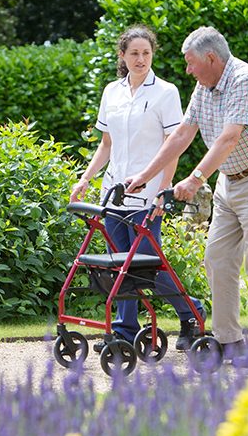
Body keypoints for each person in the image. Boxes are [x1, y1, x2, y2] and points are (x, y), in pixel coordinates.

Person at [125, 26, 248, 367]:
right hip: (229, 182)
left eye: (190, 62)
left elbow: (228, 138)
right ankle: (229, 341)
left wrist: (196, 178)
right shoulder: (204, 86)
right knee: (217, 260)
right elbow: (183, 134)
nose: (188, 70)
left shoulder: (246, 81)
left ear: (211, 58)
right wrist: (146, 175)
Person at [70, 24, 205, 352]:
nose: (141, 59)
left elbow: (173, 144)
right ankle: (125, 329)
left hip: (148, 195)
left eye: (146, 53)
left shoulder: (166, 92)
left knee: (147, 263)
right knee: (120, 263)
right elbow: (106, 144)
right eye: (134, 53)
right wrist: (86, 179)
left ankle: (192, 313)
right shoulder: (111, 92)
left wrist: (165, 188)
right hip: (113, 193)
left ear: (152, 54)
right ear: (123, 56)